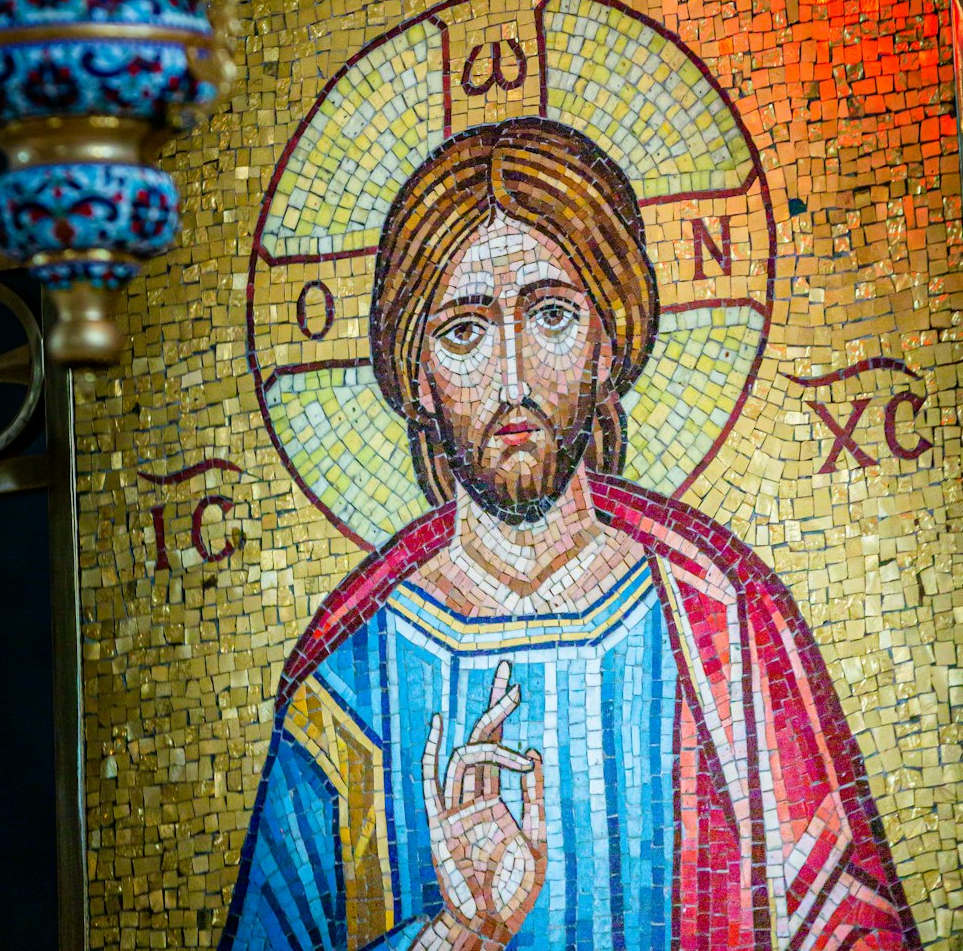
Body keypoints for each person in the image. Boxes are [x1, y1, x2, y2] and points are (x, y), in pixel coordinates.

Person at [221, 119, 919, 951]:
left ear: (604, 345)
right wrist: (458, 934)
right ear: (418, 377)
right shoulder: (345, 694)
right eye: (464, 331)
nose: (512, 378)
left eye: (550, 313)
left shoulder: (724, 632)